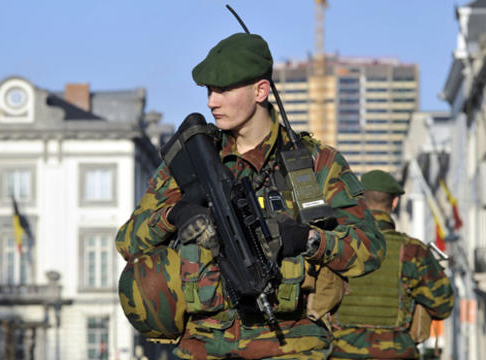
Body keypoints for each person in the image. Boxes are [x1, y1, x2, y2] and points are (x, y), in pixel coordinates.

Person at [116, 32, 385, 359]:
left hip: (291, 346)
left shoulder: (315, 164)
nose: (211, 101)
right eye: (209, 90)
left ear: (261, 90)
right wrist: (174, 216)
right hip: (203, 348)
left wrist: (311, 241)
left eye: (224, 90)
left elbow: (371, 249)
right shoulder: (192, 161)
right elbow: (128, 243)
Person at [330, 170, 455, 359]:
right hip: (396, 352)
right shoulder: (413, 251)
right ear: (395, 202)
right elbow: (443, 305)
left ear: (360, 201)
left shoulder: (338, 244)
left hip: (341, 353)